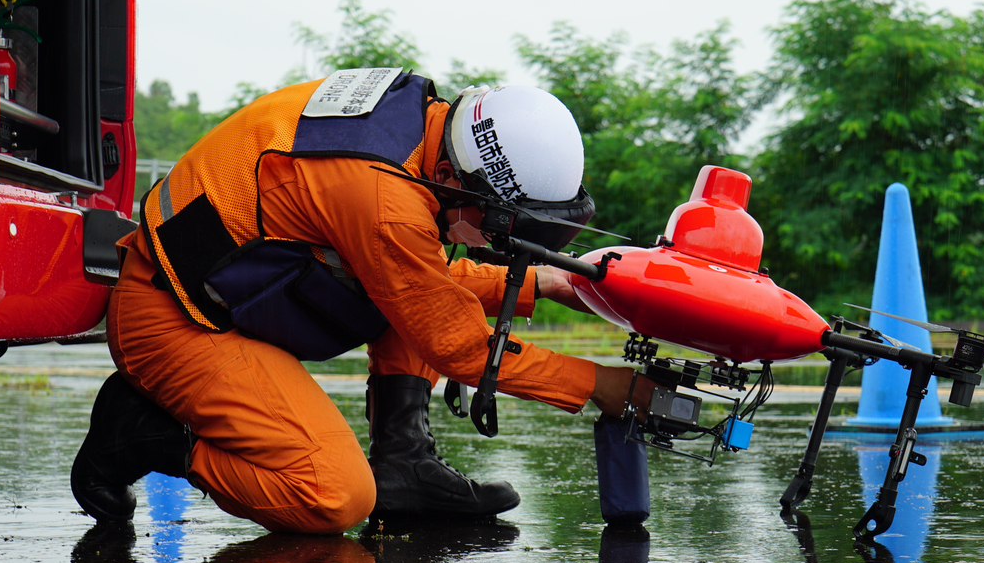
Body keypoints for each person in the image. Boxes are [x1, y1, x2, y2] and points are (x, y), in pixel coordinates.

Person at [71, 68, 657, 534]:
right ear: (453, 174)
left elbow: (417, 276)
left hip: (217, 289)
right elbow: (455, 342)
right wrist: (606, 386)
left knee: (418, 294)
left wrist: (547, 282)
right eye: (499, 225)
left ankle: (404, 465)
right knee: (335, 495)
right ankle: (143, 433)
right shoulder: (385, 201)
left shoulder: (418, 134)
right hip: (170, 319)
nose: (503, 242)